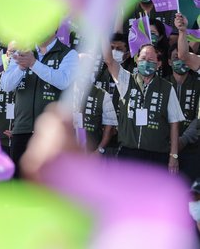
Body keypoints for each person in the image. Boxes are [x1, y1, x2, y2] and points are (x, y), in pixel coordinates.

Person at [0, 31, 77, 177]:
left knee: (47, 185)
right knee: (19, 184)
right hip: (21, 130)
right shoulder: (22, 51)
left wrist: (33, 64)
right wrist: (21, 68)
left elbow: (63, 81)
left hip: (51, 135)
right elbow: (6, 85)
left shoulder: (68, 54)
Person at [103, 42, 184, 172]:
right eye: (143, 59)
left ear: (158, 64)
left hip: (157, 155)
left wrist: (174, 155)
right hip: (128, 153)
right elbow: (109, 61)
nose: (146, 62)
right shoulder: (126, 80)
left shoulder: (167, 88)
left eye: (151, 60)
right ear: (136, 60)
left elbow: (174, 123)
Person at [73, 54, 118, 154]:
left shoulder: (103, 95)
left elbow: (109, 127)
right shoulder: (64, 90)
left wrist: (99, 150)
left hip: (91, 151)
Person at [167, 46, 200, 181]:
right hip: (164, 148)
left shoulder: (198, 85)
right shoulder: (162, 84)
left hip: (192, 149)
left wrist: (184, 139)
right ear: (169, 62)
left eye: (183, 58)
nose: (180, 61)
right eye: (176, 58)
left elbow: (199, 118)